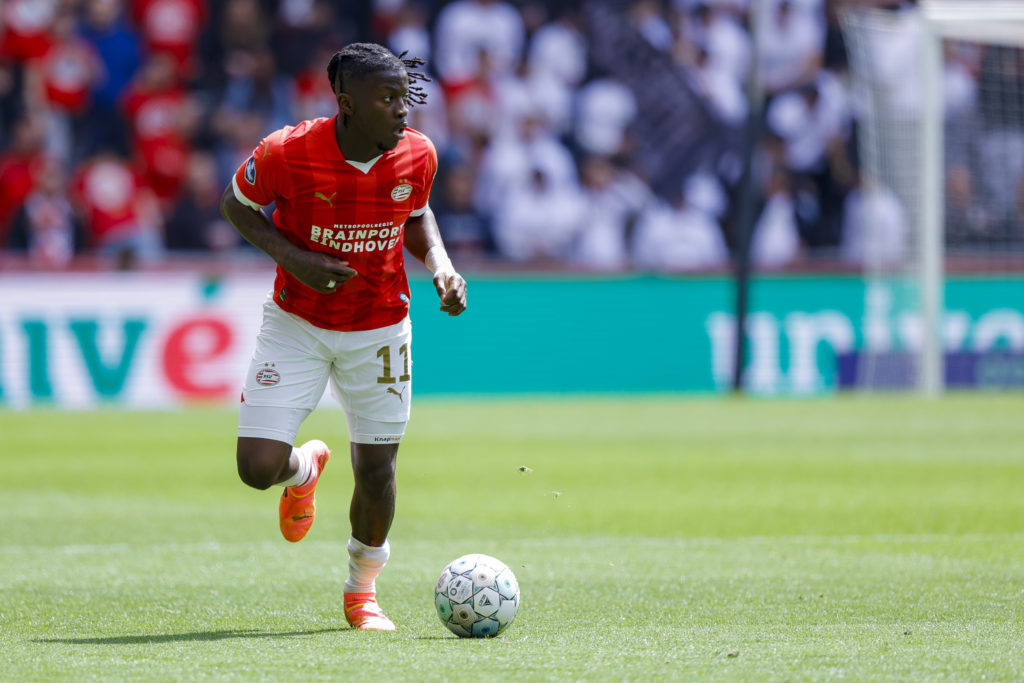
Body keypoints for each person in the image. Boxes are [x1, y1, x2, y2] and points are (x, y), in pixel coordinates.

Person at [219, 42, 467, 632]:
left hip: (380, 327)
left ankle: (362, 593)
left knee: (377, 471)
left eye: (405, 98)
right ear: (347, 104)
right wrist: (292, 256)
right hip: (297, 323)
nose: (402, 111)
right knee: (256, 467)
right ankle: (303, 470)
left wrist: (441, 267)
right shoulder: (286, 151)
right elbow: (237, 203)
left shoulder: (419, 154)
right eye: (388, 99)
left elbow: (416, 215)